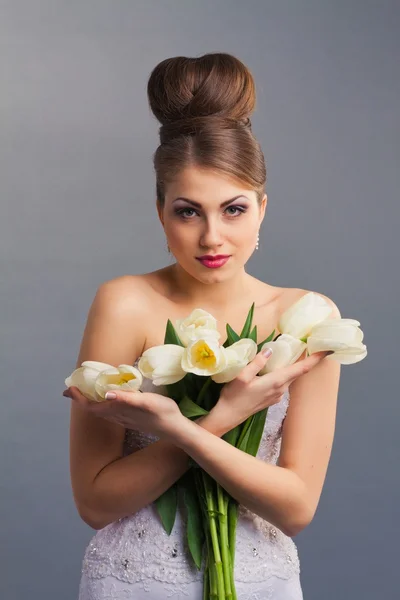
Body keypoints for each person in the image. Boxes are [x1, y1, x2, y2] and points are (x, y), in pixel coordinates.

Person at [66, 53, 341, 600]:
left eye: (234, 210)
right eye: (188, 211)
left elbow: (296, 508)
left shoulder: (307, 319)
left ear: (263, 208)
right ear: (160, 210)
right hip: (134, 583)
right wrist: (225, 417)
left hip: (260, 581)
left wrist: (186, 426)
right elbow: (95, 503)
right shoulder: (124, 303)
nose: (212, 237)